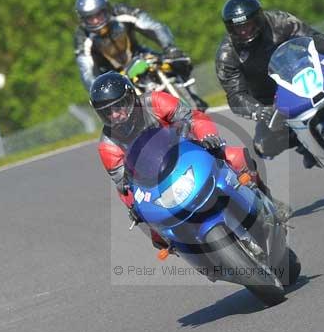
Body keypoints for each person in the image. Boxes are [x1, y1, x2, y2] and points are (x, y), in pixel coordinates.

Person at [90, 72, 291, 252]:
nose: (115, 115)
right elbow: (124, 184)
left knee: (235, 157)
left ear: (132, 97)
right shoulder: (108, 145)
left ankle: (268, 201)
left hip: (189, 153)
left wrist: (207, 136)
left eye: (119, 106)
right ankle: (191, 252)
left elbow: (192, 117)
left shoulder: (155, 101)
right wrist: (135, 208)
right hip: (155, 183)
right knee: (156, 233)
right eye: (107, 112)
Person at [215, 0, 324, 168]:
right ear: (230, 28)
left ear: (259, 19)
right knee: (263, 147)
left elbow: (312, 37)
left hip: (303, 73)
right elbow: (236, 95)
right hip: (270, 100)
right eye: (238, 28)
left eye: (249, 25)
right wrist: (258, 110)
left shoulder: (279, 21)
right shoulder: (227, 55)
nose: (244, 31)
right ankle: (304, 145)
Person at [74, 0, 206, 108]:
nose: (96, 21)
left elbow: (154, 26)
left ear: (107, 9)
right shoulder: (82, 37)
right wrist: (98, 92)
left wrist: (169, 47)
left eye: (99, 15)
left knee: (178, 61)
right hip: (113, 74)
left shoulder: (122, 12)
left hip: (140, 54)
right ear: (83, 20)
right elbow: (86, 72)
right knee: (114, 107)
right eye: (90, 18)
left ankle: (194, 102)